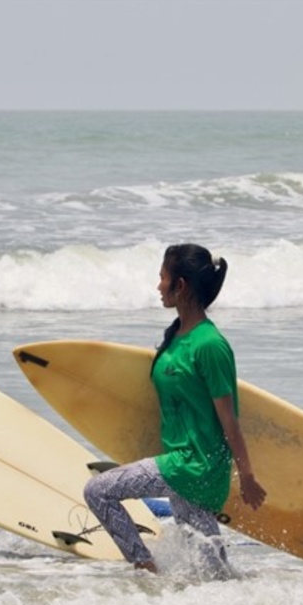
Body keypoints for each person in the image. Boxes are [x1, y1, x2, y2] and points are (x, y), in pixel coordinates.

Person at [84, 244, 267, 573]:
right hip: (183, 462)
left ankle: (145, 569)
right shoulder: (177, 337)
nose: (158, 287)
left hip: (194, 467)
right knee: (212, 571)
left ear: (180, 285)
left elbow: (230, 420)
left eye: (162, 278)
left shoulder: (209, 345)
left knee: (98, 491)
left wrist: (248, 477)